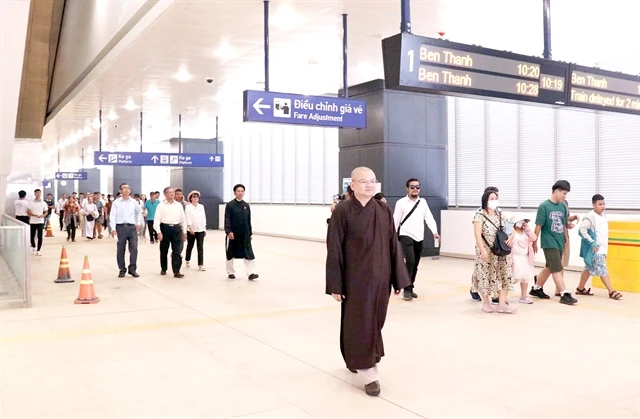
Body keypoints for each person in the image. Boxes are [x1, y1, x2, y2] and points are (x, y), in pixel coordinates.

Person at [326, 167, 410, 397]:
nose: (370, 185)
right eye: (364, 181)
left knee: (375, 320)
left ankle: (353, 356)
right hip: (355, 279)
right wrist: (336, 284)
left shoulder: (382, 209)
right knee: (360, 322)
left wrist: (398, 278)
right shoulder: (342, 212)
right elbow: (334, 249)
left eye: (373, 181)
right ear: (352, 185)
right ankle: (368, 372)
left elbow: (393, 244)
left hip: (381, 278)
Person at [529, 180, 578, 305]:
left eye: (566, 194)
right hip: (549, 242)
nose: (564, 196)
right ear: (556, 191)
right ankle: (564, 293)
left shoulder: (562, 206)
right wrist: (534, 241)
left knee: (550, 266)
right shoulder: (544, 206)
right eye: (563, 193)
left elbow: (564, 222)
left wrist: (568, 230)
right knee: (557, 267)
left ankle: (536, 289)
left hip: (559, 241)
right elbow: (538, 225)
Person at [393, 178, 440, 301]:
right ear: (407, 188)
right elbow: (395, 220)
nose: (415, 189)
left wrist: (434, 232)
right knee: (410, 261)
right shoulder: (401, 203)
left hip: (419, 236)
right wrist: (391, 235)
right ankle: (406, 289)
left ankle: (410, 286)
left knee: (415, 264)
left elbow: (429, 218)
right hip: (405, 235)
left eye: (417, 187)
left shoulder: (423, 202)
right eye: (412, 187)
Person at [472, 189, 515, 313]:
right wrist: (482, 250)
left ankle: (502, 304)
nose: (494, 201)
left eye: (496, 198)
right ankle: (486, 303)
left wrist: (512, 236)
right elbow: (477, 234)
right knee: (484, 274)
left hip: (500, 251)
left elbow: (510, 228)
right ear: (485, 200)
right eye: (491, 198)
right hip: (486, 250)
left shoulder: (501, 215)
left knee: (504, 275)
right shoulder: (479, 215)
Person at [577, 194, 622, 300]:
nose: (602, 206)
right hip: (596, 249)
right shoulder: (590, 217)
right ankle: (611, 291)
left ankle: (580, 288)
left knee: (588, 268)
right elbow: (581, 231)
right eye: (599, 204)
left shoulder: (603, 215)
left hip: (603, 247)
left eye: (603, 204)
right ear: (593, 205)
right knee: (602, 269)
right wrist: (592, 242)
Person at [224, 184, 258, 280]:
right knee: (231, 253)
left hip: (245, 234)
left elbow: (248, 220)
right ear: (234, 192)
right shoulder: (230, 205)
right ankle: (230, 272)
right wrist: (229, 231)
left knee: (248, 253)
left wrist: (250, 233)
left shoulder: (246, 206)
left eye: (242, 191)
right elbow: (227, 219)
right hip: (233, 234)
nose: (240, 193)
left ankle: (251, 273)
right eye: (238, 191)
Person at [110, 183, 142, 278]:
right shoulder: (116, 203)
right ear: (120, 191)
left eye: (128, 188)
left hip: (131, 227)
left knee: (134, 249)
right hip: (120, 227)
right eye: (124, 188)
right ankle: (122, 269)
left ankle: (132, 269)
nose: (127, 190)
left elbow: (139, 212)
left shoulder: (134, 202)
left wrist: (138, 223)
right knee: (120, 249)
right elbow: (112, 216)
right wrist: (113, 229)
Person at [154, 187, 187, 278]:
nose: (172, 194)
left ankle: (176, 271)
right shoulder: (161, 205)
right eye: (170, 192)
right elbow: (156, 220)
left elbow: (183, 219)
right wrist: (158, 232)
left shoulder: (178, 205)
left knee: (177, 251)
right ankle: (164, 268)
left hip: (176, 228)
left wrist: (184, 231)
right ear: (165, 194)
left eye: (173, 192)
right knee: (164, 250)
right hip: (165, 228)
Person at [509, 215, 536, 304]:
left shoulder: (525, 232)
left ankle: (523, 296)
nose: (522, 223)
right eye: (520, 221)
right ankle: (500, 296)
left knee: (525, 278)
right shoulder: (511, 232)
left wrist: (527, 228)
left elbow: (534, 238)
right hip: (515, 258)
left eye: (524, 222)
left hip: (525, 258)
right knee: (512, 277)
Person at [185, 190, 207, 271]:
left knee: (200, 247)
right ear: (190, 198)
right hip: (191, 230)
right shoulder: (188, 207)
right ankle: (187, 259)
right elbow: (187, 217)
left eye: (197, 197)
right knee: (190, 246)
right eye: (194, 197)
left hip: (200, 229)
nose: (195, 198)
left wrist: (204, 229)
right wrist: (190, 227)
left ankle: (200, 264)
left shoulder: (201, 206)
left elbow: (203, 218)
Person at [27, 189, 49, 255]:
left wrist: (43, 215)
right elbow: (28, 211)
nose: (38, 194)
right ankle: (34, 246)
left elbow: (46, 212)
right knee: (32, 236)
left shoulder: (43, 203)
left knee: (40, 236)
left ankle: (39, 250)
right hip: (33, 221)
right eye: (37, 192)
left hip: (40, 221)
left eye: (39, 193)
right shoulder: (31, 202)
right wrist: (34, 215)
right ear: (34, 194)